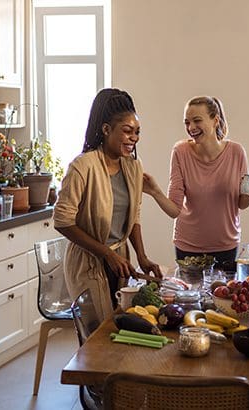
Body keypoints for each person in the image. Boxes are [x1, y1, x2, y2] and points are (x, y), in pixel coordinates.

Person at [53, 88, 162, 320]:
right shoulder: (82, 167)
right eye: (127, 131)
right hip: (87, 263)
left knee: (121, 325)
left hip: (120, 261)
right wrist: (106, 254)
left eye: (137, 132)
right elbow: (62, 221)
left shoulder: (133, 166)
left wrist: (141, 256)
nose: (134, 138)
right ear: (106, 130)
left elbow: (134, 216)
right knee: (98, 337)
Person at [142, 96, 249, 271]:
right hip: (188, 247)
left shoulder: (237, 152)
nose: (191, 128)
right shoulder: (180, 152)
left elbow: (241, 204)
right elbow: (174, 210)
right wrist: (154, 191)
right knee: (190, 297)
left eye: (197, 120)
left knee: (223, 296)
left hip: (226, 245)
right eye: (187, 122)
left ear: (215, 121)